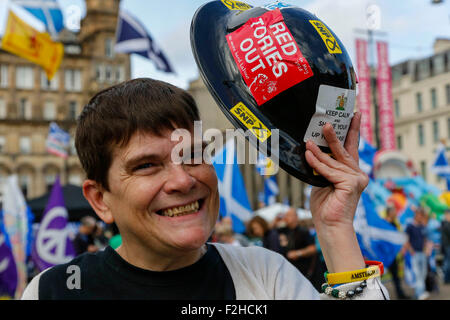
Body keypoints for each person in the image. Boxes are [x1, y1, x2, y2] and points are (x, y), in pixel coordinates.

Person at [22, 78, 387, 300]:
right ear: (100, 200)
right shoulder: (54, 291)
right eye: (147, 165)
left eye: (193, 155)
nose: (183, 181)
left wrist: (336, 229)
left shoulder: (264, 274)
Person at [278, 208, 318, 286]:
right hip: (287, 270)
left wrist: (298, 253)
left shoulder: (303, 231)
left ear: (296, 217)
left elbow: (313, 248)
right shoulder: (282, 230)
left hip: (302, 270)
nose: (286, 217)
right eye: (285, 215)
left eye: (289, 215)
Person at [405, 207, 432, 300]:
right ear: (416, 215)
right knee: (417, 274)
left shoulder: (422, 227)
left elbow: (425, 239)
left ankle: (418, 293)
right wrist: (411, 250)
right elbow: (406, 239)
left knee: (423, 274)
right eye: (419, 215)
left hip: (422, 253)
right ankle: (420, 294)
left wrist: (426, 249)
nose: (420, 217)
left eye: (422, 215)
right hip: (415, 254)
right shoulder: (410, 226)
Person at [385, 204, 410, 299]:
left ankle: (400, 294)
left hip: (393, 254)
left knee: (396, 276)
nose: (396, 213)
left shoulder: (395, 223)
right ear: (390, 213)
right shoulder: (385, 223)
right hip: (386, 255)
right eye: (394, 211)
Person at [441, 210, 450, 283]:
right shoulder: (446, 224)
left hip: (446, 245)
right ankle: (446, 278)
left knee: (447, 261)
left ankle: (446, 278)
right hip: (447, 245)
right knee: (447, 262)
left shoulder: (444, 223)